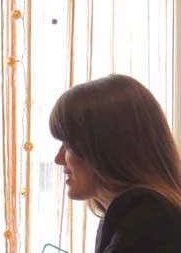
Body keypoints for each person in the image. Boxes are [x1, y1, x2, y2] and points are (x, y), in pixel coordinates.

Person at [50, 74, 181, 252]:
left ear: (107, 149)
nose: (58, 159)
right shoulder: (132, 219)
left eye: (69, 146)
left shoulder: (149, 225)